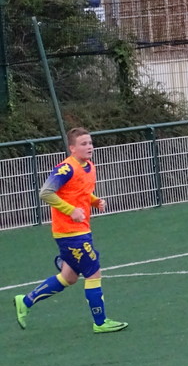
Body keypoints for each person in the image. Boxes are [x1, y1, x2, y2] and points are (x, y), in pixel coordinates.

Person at [13, 128, 128, 334]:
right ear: (72, 148)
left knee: (69, 277)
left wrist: (95, 201)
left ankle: (26, 301)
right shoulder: (66, 168)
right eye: (83, 144)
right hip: (69, 232)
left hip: (81, 229)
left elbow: (80, 193)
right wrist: (70, 210)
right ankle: (100, 322)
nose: (89, 147)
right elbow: (45, 193)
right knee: (93, 272)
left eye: (90, 143)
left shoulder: (89, 166)